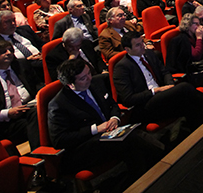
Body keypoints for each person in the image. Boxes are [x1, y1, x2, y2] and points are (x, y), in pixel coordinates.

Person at [49, 59, 164, 188]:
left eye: (88, 73)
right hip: (84, 147)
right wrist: (95, 129)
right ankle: (166, 160)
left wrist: (115, 118)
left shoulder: (95, 83)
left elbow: (113, 105)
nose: (89, 78)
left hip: (109, 135)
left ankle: (147, 182)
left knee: (134, 150)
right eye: (83, 78)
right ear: (70, 84)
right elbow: (60, 139)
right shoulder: (58, 104)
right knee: (131, 138)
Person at [112, 31, 203, 127]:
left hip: (163, 96)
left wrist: (170, 86)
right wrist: (155, 91)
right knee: (184, 87)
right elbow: (128, 99)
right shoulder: (121, 68)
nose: (143, 46)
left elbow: (165, 72)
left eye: (142, 42)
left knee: (189, 104)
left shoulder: (149, 54)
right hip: (146, 105)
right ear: (127, 49)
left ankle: (202, 132)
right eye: (138, 45)